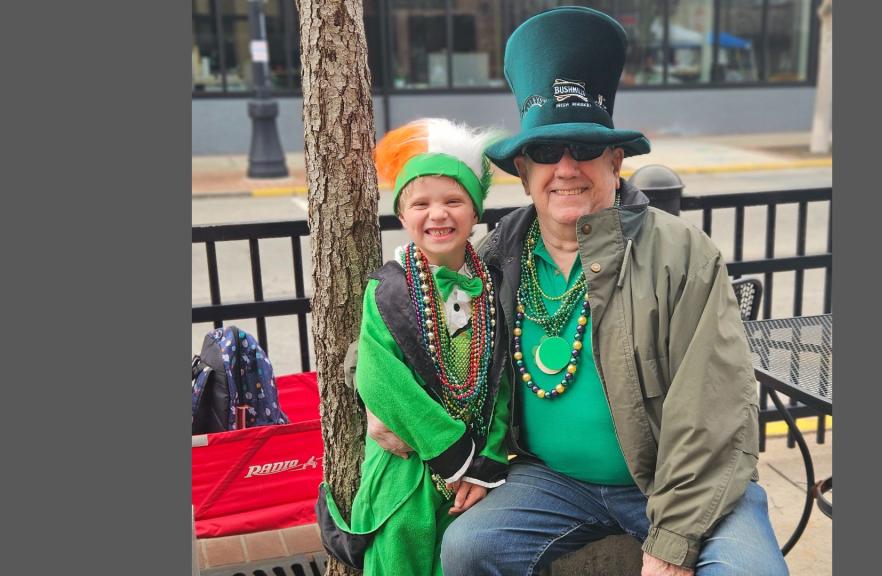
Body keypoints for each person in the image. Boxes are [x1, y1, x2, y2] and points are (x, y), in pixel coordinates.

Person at [369, 7, 789, 576]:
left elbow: (714, 414)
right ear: (524, 170)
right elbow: (400, 313)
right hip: (553, 482)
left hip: (673, 482)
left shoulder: (681, 254)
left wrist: (673, 542)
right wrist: (371, 393)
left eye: (585, 148)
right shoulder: (496, 257)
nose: (566, 167)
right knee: (467, 548)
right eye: (546, 152)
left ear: (615, 161)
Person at [315, 118, 512, 576]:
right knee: (399, 553)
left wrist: (486, 460)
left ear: (475, 212)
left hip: (471, 474)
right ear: (403, 217)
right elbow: (380, 377)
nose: (437, 214)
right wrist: (452, 453)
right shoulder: (388, 290)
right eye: (421, 203)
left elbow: (500, 380)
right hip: (407, 468)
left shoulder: (493, 286)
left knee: (462, 559)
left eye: (453, 201)